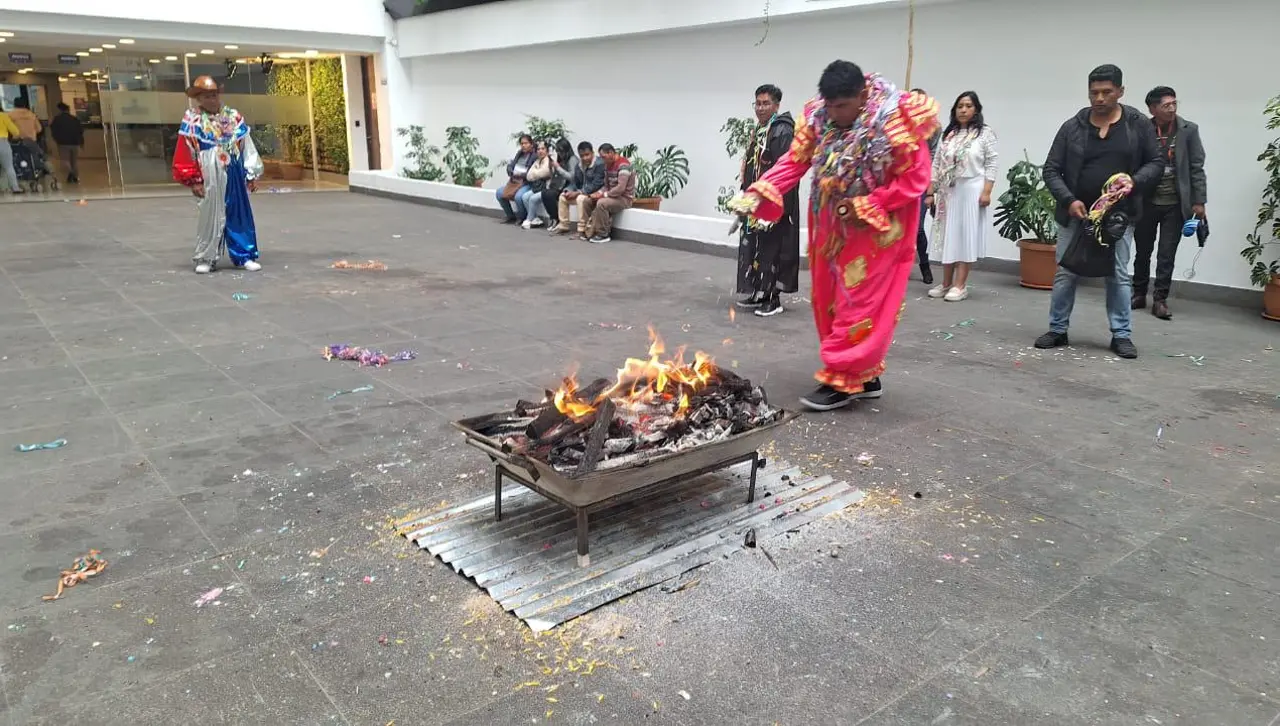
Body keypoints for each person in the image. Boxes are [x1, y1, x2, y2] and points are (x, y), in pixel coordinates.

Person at [730, 60, 940, 411]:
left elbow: (915, 180)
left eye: (841, 106)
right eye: (829, 106)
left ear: (861, 96)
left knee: (860, 300)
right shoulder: (818, 118)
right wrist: (759, 191)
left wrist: (870, 203)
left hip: (875, 229)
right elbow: (795, 162)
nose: (834, 113)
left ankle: (842, 379)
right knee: (829, 298)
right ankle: (864, 373)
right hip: (829, 225)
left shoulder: (894, 119)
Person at [1036, 64, 1163, 359]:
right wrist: (1068, 200)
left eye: (1107, 92)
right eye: (1094, 92)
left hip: (1119, 216)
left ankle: (1121, 335)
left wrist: (1134, 181)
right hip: (1076, 214)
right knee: (1066, 272)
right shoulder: (1072, 127)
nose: (1100, 98)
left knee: (1118, 274)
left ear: (1120, 91)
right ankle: (1057, 329)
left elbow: (1156, 163)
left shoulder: (1137, 124)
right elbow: (1051, 169)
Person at [171, 75, 264, 275]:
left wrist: (251, 173)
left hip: (233, 169)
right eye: (206, 96)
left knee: (239, 212)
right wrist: (194, 180)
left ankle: (244, 255)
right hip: (208, 172)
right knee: (209, 215)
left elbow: (246, 145)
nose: (211, 99)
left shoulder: (233, 117)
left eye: (214, 95)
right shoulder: (192, 120)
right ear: (198, 98)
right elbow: (185, 151)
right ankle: (206, 257)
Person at [1131, 86, 1207, 321]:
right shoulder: (1142, 129)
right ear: (1152, 109)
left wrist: (1199, 201)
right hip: (1146, 200)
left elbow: (1196, 168)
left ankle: (1160, 299)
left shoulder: (1188, 130)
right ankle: (1138, 293)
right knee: (1143, 251)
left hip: (1175, 202)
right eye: (1166, 105)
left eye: (1175, 103)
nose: (1172, 108)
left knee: (1167, 254)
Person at [926, 91, 999, 302]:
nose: (963, 110)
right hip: (949, 191)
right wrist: (931, 192)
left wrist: (987, 191)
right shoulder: (949, 134)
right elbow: (937, 163)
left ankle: (960, 285)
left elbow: (992, 163)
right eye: (960, 106)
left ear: (976, 109)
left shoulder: (984, 134)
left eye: (968, 106)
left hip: (972, 189)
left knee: (966, 235)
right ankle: (946, 283)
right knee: (947, 235)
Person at [735, 83, 800, 318]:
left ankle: (773, 298)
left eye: (766, 104)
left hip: (774, 203)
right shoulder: (761, 130)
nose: (760, 108)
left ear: (777, 105)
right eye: (758, 103)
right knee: (756, 248)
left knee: (772, 249)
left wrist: (775, 204)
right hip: (756, 202)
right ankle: (759, 291)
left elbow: (784, 170)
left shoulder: (782, 131)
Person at [911, 88, 941, 286]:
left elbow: (933, 158)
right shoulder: (898, 126)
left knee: (917, 229)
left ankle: (925, 265)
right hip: (899, 184)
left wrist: (930, 191)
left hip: (920, 183)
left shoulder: (933, 128)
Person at [551, 141, 606, 239]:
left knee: (580, 198)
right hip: (581, 192)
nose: (585, 158)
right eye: (582, 156)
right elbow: (575, 183)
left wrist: (578, 192)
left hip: (594, 194)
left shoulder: (599, 164)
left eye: (587, 155)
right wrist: (568, 190)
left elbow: (596, 184)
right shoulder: (579, 166)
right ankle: (563, 226)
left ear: (592, 153)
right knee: (563, 196)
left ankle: (582, 230)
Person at [585, 143, 634, 244]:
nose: (603, 160)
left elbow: (621, 188)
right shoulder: (608, 165)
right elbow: (606, 186)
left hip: (624, 198)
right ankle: (588, 230)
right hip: (612, 196)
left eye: (604, 157)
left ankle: (603, 234)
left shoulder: (623, 165)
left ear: (611, 153)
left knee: (601, 203)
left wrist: (604, 195)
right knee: (587, 200)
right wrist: (598, 193)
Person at [8, 97, 54, 176]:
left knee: (17, 158)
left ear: (14, 104)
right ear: (25, 104)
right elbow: (39, 129)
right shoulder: (31, 115)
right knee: (35, 156)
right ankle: (38, 170)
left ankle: (21, 174)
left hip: (17, 142)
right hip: (31, 141)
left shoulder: (10, 115)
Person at [497, 134, 537, 224]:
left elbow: (532, 172)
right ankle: (510, 216)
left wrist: (522, 174)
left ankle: (522, 217)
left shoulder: (534, 156)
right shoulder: (519, 153)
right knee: (499, 193)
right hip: (514, 181)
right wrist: (510, 170)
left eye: (526, 143)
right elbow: (512, 164)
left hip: (526, 183)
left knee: (519, 197)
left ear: (531, 144)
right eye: (522, 143)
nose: (523, 145)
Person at [542, 138, 579, 229]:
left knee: (550, 195)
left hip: (570, 186)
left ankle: (557, 219)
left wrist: (558, 168)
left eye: (561, 151)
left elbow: (572, 177)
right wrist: (552, 168)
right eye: (558, 151)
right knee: (545, 193)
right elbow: (555, 175)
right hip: (559, 184)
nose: (559, 154)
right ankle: (553, 217)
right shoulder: (561, 159)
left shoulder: (572, 159)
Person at [517, 140, 554, 229]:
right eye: (538, 149)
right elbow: (528, 176)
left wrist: (535, 173)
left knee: (533, 199)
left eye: (543, 149)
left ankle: (529, 220)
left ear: (547, 150)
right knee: (525, 197)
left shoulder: (549, 160)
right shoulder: (537, 161)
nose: (540, 151)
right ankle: (535, 218)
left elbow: (545, 172)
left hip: (547, 189)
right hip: (537, 187)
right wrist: (537, 174)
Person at [50, 102, 83, 184]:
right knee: (74, 161)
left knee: (65, 161)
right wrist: (80, 142)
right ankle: (75, 177)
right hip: (75, 143)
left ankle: (71, 173)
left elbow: (53, 131)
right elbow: (80, 131)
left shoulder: (57, 119)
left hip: (63, 143)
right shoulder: (74, 119)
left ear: (60, 110)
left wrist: (57, 139)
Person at [1, 108, 22, 194]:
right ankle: (15, 188)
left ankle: (3, 186)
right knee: (9, 166)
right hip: (2, 143)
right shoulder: (3, 116)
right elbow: (15, 132)